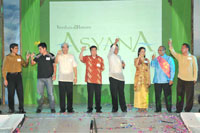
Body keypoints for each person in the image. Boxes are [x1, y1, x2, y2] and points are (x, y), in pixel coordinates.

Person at [168, 40, 198, 113]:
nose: (181, 49)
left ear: (187, 49)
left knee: (189, 97)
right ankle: (179, 109)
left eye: (183, 48)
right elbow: (173, 52)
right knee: (179, 95)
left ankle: (187, 110)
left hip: (190, 80)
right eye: (181, 48)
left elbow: (195, 68)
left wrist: (195, 78)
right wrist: (170, 45)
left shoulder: (192, 57)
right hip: (180, 79)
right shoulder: (179, 56)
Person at [2, 43, 30, 113]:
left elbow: (25, 65)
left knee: (20, 93)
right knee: (11, 93)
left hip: (18, 76)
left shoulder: (19, 57)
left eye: (17, 48)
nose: (17, 49)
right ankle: (11, 109)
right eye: (16, 48)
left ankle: (21, 108)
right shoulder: (7, 57)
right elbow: (3, 69)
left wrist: (27, 59)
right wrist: (5, 79)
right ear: (11, 49)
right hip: (10, 77)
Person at [31, 42, 56, 113]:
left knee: (50, 94)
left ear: (44, 48)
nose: (39, 50)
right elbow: (32, 63)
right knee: (39, 94)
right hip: (40, 78)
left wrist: (54, 74)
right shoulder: (38, 56)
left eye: (40, 49)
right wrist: (32, 57)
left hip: (49, 78)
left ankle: (52, 108)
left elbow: (54, 65)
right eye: (39, 49)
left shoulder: (51, 55)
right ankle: (39, 108)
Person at [79, 45, 104, 113]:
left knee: (98, 95)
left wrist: (96, 73)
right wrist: (82, 51)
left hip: (98, 80)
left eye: (95, 50)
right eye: (92, 50)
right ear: (90, 51)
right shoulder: (87, 58)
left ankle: (98, 108)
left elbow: (102, 68)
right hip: (90, 80)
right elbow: (81, 58)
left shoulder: (100, 59)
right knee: (90, 95)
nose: (94, 51)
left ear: (96, 51)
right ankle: (90, 108)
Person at [151, 46, 175, 113]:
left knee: (168, 96)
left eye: (161, 50)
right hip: (157, 80)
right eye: (158, 50)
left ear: (164, 51)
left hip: (166, 80)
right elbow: (153, 65)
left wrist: (171, 79)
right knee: (157, 96)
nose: (159, 51)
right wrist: (153, 59)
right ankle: (158, 109)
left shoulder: (169, 59)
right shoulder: (157, 58)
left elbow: (172, 70)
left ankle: (169, 109)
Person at [54, 43, 77, 113]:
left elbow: (75, 67)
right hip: (61, 78)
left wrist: (75, 77)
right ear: (62, 48)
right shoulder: (59, 56)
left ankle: (70, 108)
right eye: (63, 47)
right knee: (62, 95)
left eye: (66, 47)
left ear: (68, 48)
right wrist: (57, 54)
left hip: (70, 78)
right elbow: (55, 62)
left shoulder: (71, 56)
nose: (65, 49)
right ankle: (62, 108)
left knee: (70, 94)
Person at [107, 38, 127, 112]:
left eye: (117, 48)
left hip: (121, 78)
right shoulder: (110, 55)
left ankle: (124, 108)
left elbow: (121, 67)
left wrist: (123, 65)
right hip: (113, 77)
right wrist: (115, 42)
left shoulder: (119, 57)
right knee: (114, 94)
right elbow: (112, 49)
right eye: (115, 48)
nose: (116, 49)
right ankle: (115, 108)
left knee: (121, 94)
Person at [134, 47, 150, 113]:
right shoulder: (136, 59)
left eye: (144, 51)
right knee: (138, 94)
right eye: (142, 51)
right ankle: (139, 107)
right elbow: (136, 65)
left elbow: (148, 70)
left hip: (145, 79)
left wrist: (149, 80)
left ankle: (144, 107)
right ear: (139, 52)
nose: (143, 53)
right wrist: (139, 58)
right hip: (138, 80)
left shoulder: (147, 60)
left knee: (145, 94)